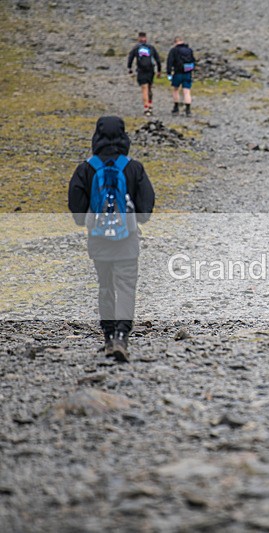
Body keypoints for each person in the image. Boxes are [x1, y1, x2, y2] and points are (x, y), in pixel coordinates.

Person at [68, 116, 155, 362]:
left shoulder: (86, 168)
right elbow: (146, 211)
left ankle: (107, 338)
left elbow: (76, 209)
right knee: (126, 287)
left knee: (105, 287)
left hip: (98, 242)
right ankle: (121, 337)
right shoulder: (133, 167)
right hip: (127, 241)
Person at [126, 32, 161, 116]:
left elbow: (130, 58)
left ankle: (146, 108)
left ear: (139, 38)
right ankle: (150, 104)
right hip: (151, 70)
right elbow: (157, 59)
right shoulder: (151, 47)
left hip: (141, 70)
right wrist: (159, 70)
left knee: (144, 89)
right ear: (146, 38)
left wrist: (129, 68)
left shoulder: (136, 48)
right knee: (149, 88)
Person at [166, 37, 196, 117]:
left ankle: (176, 108)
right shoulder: (189, 50)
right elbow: (193, 60)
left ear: (175, 42)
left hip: (178, 73)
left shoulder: (174, 50)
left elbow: (169, 62)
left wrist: (169, 73)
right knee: (187, 91)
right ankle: (188, 110)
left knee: (176, 89)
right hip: (188, 72)